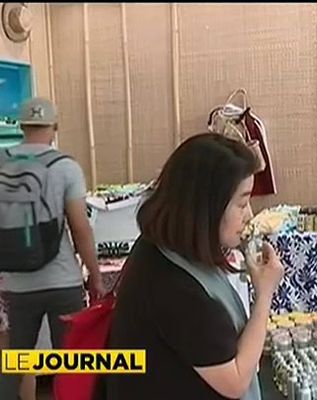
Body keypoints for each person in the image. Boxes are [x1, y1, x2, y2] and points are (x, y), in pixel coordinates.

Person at [94, 133, 284, 399]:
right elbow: (236, 381)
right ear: (206, 207)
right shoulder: (173, 286)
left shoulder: (161, 247)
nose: (249, 215)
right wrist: (264, 294)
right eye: (242, 203)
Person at [0, 97, 105, 400]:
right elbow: (79, 228)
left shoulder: (3, 162)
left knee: (15, 362)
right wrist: (95, 274)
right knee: (72, 362)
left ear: (21, 125)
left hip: (16, 284)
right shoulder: (66, 167)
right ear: (55, 127)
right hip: (63, 282)